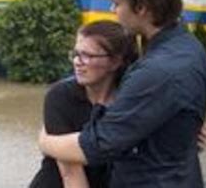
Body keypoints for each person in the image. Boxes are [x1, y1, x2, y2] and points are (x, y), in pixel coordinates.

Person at [38, 0, 206, 188]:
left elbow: (98, 145)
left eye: (117, 2)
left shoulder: (156, 71)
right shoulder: (190, 47)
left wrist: (46, 142)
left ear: (141, 7)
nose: (113, 10)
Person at [30, 20, 138, 188]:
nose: (77, 62)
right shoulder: (60, 97)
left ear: (115, 62)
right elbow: (70, 173)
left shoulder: (131, 101)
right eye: (76, 54)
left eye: (87, 55)